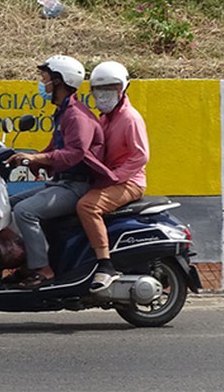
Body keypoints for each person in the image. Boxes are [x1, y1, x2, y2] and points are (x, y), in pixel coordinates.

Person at [4, 55, 110, 288]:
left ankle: (43, 269)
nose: (42, 84)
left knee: (24, 212)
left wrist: (37, 157)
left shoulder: (77, 116)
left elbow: (75, 153)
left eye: (45, 78)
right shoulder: (63, 112)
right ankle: (29, 260)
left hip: (77, 186)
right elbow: (54, 148)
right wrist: (31, 159)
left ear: (60, 81)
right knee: (8, 204)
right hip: (61, 182)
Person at [77, 61, 150, 292]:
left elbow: (141, 156)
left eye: (111, 88)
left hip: (130, 182)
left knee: (87, 206)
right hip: (110, 180)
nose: (104, 94)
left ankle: (105, 265)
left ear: (123, 88)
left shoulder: (130, 118)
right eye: (99, 89)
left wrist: (116, 176)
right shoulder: (105, 118)